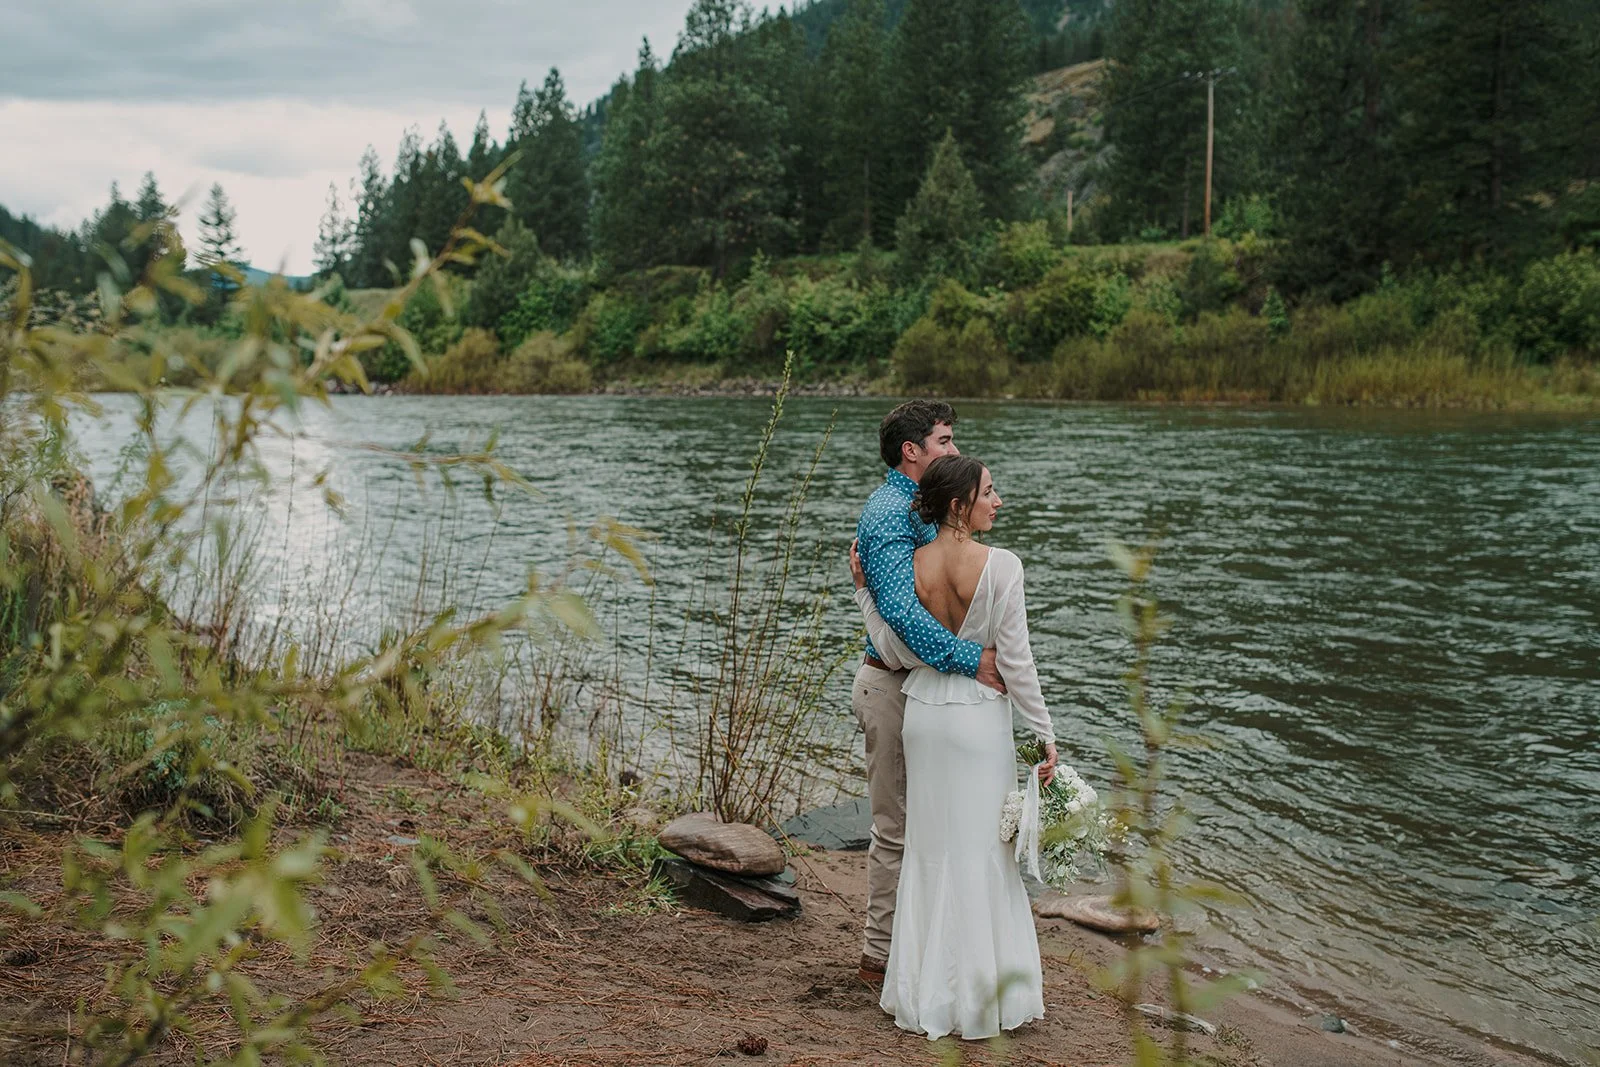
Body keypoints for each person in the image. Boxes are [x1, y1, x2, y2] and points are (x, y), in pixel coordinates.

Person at [849, 454, 1059, 1041]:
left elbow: (895, 649)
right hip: (974, 723)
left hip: (924, 715)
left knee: (928, 850)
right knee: (984, 854)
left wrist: (862, 593)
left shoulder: (909, 566)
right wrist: (1044, 734)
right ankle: (983, 998)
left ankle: (922, 992)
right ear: (959, 505)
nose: (999, 501)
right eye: (990, 492)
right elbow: (1015, 662)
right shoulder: (1003, 566)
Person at [850, 401, 1010, 990]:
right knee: (897, 829)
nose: (955, 449)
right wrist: (976, 661)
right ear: (910, 451)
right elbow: (902, 617)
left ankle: (931, 955)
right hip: (892, 687)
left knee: (942, 826)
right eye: (944, 440)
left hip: (930, 690)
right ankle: (877, 961)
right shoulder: (889, 512)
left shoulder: (934, 504)